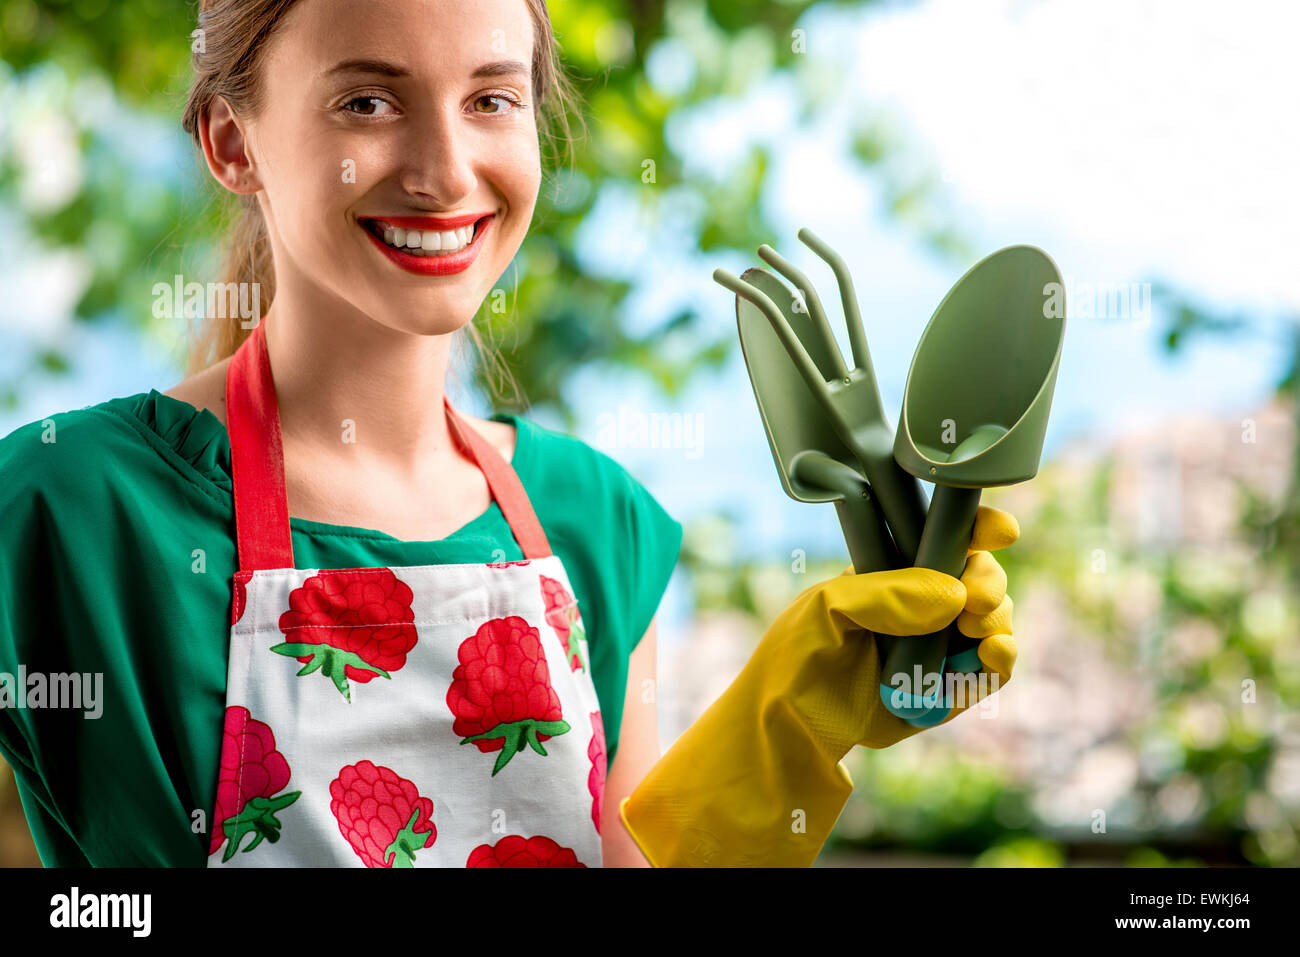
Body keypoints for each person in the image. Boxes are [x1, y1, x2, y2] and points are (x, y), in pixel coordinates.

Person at [0, 0, 1020, 869]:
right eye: (368, 100)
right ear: (232, 142)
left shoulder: (595, 519)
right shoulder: (66, 507)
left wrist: (791, 734)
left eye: (491, 99)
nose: (446, 174)